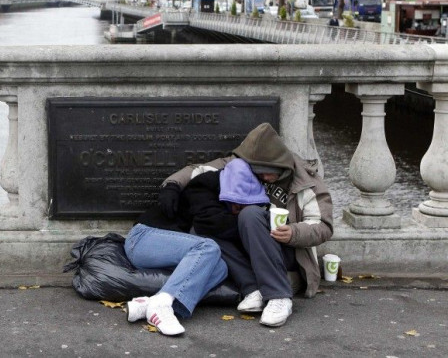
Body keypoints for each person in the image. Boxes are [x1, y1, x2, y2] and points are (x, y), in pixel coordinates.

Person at [161, 123, 334, 327]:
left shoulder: (306, 182)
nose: (264, 178)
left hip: (286, 251)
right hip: (248, 246)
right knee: (203, 227)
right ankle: (254, 289)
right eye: (258, 173)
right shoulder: (242, 164)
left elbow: (324, 226)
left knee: (251, 214)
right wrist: (171, 185)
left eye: (269, 173)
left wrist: (294, 232)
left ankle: (279, 296)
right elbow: (198, 170)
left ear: (282, 166)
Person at [123, 158, 271, 336]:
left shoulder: (228, 199)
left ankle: (155, 303)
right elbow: (209, 224)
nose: (237, 211)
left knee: (221, 268)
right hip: (142, 239)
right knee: (208, 247)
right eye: (238, 205)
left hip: (170, 249)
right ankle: (160, 306)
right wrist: (259, 226)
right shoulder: (202, 189)